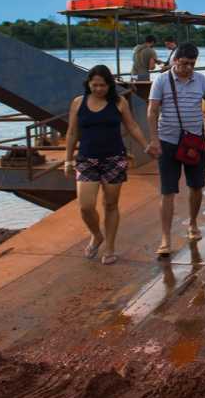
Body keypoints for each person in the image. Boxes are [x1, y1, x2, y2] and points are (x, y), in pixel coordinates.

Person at [147, 43, 205, 256]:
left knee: (196, 186)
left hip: (195, 142)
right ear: (175, 60)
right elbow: (152, 111)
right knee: (168, 191)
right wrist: (154, 139)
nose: (188, 68)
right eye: (184, 63)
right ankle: (166, 237)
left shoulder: (201, 80)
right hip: (168, 142)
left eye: (192, 64)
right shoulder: (161, 80)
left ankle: (193, 223)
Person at [64, 65, 152, 265]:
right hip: (86, 159)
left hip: (114, 159)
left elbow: (132, 126)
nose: (98, 89)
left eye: (102, 85)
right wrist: (68, 159)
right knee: (86, 206)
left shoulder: (119, 102)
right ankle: (96, 235)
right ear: (88, 84)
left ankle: (110, 247)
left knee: (110, 204)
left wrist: (146, 146)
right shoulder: (79, 103)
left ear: (109, 85)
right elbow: (71, 132)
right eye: (94, 85)